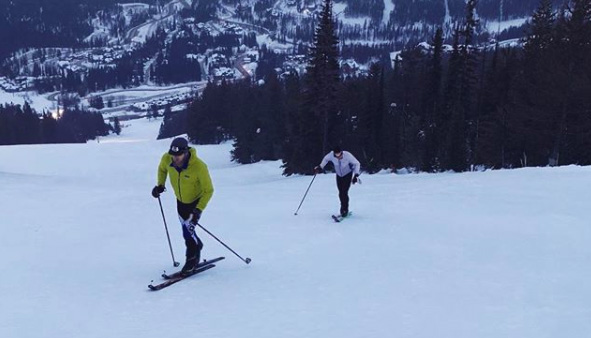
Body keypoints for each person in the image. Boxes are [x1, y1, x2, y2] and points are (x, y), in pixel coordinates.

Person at [151, 137, 214, 275]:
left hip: (195, 203)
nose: (175, 159)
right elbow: (162, 169)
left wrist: (198, 210)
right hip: (180, 201)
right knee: (186, 229)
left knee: (187, 231)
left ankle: (191, 258)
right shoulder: (167, 158)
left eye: (178, 155)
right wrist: (160, 185)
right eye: (173, 155)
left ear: (186, 153)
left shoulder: (199, 166)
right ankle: (197, 245)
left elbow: (209, 190)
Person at [314, 146, 361, 217]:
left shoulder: (347, 155)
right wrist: (320, 167)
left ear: (341, 152)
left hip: (347, 174)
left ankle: (344, 210)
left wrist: (356, 175)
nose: (338, 156)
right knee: (340, 193)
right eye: (336, 155)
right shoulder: (331, 155)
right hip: (339, 175)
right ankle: (343, 209)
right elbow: (326, 159)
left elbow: (357, 163)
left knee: (344, 192)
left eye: (340, 155)